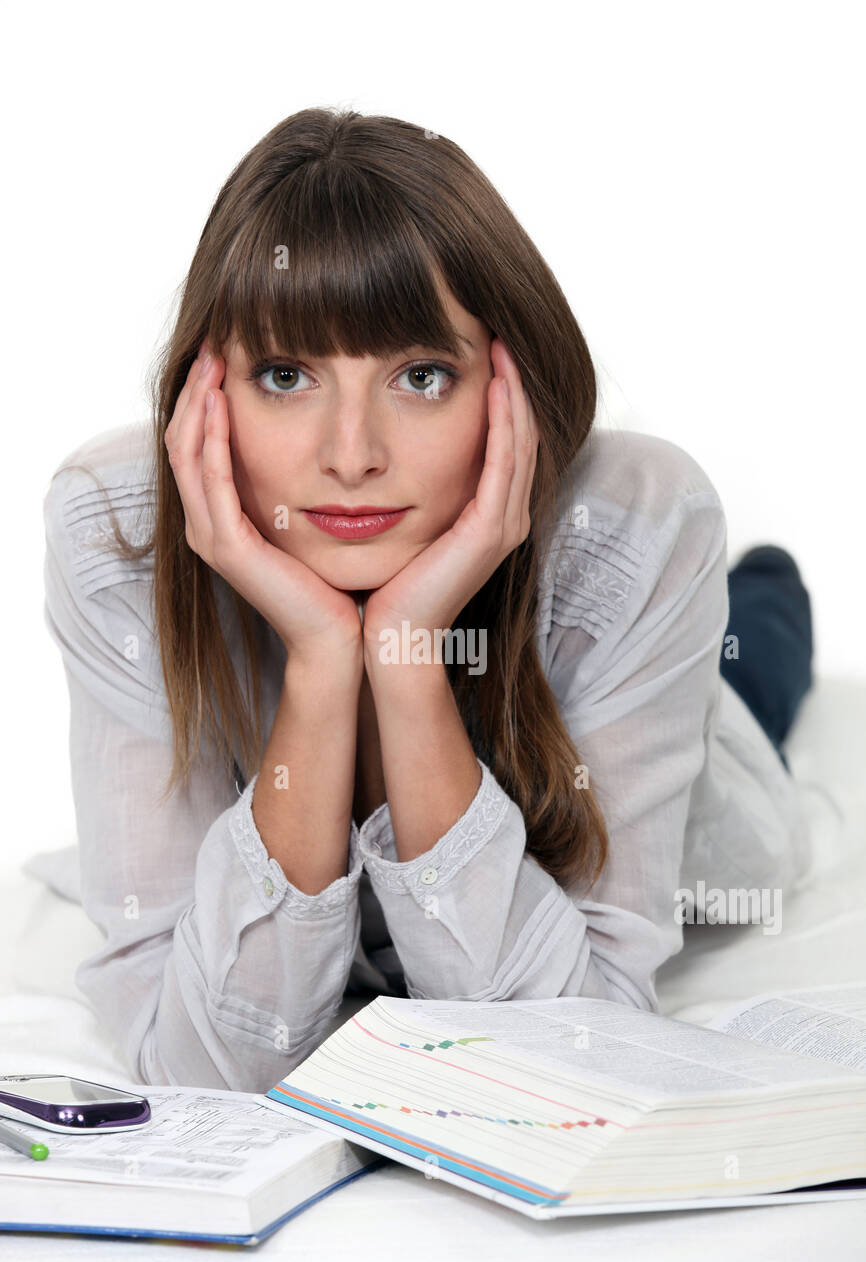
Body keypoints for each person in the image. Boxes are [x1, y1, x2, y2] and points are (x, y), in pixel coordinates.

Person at [38, 108, 814, 1091]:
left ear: (507, 382)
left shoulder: (634, 530)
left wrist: (405, 658)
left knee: (766, 650)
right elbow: (206, 1068)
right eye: (284, 375)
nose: (352, 455)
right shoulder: (117, 534)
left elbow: (577, 1053)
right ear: (209, 390)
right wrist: (326, 663)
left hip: (672, 696)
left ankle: (770, 579)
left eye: (419, 375)